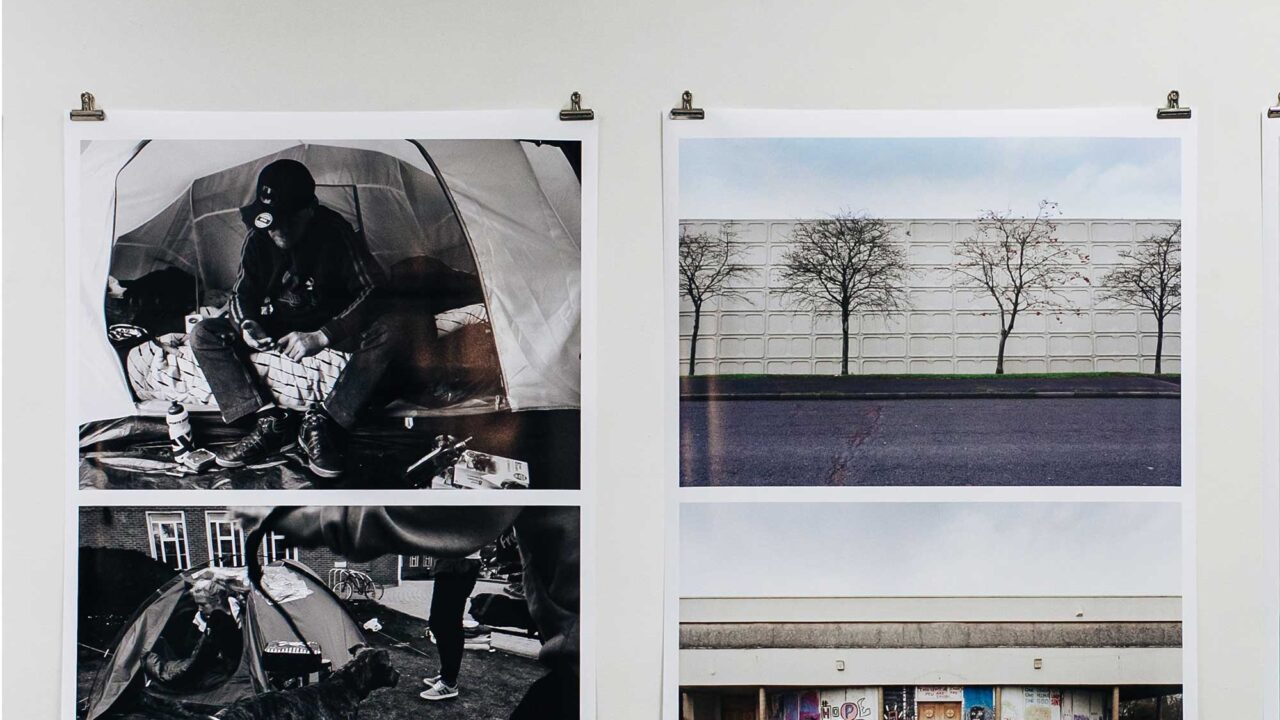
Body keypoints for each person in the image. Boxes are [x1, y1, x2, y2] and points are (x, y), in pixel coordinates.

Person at [235, 506, 579, 720]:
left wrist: (311, 517)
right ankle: (446, 676)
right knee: (440, 623)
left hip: (576, 671)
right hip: (575, 661)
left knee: (446, 624)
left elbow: (452, 517)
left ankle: (449, 683)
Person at [191, 158, 403, 478]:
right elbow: (241, 295)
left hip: (329, 324)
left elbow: (373, 292)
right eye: (270, 221)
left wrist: (322, 336)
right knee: (204, 333)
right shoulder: (260, 236)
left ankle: (325, 423)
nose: (277, 229)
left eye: (286, 220)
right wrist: (248, 325)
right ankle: (269, 422)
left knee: (395, 327)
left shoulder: (336, 231)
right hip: (280, 322)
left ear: (309, 210)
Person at [419, 552, 483, 701]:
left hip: (461, 562)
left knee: (449, 623)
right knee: (437, 622)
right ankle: (446, 674)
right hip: (449, 561)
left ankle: (449, 682)